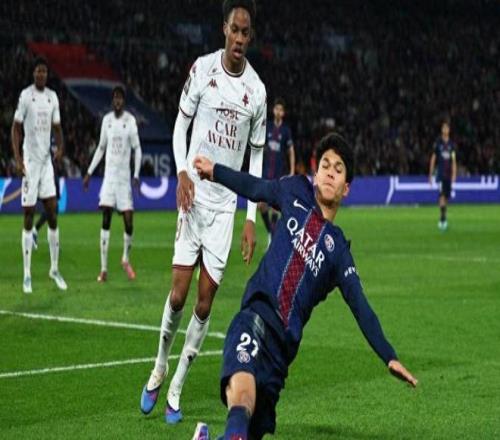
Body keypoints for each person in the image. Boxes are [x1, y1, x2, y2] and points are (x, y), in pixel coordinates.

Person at [192, 132, 418, 440]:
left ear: (346, 188)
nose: (330, 172)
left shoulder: (338, 250)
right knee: (242, 397)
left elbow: (360, 305)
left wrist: (389, 355)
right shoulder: (294, 191)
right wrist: (215, 171)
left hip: (281, 352)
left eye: (338, 169)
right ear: (315, 173)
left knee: (247, 433)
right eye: (325, 165)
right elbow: (255, 187)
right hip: (255, 319)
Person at [140, 0, 267, 425]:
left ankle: (176, 386)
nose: (239, 38)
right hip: (192, 199)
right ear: (224, 29)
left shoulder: (257, 91)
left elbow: (255, 158)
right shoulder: (202, 69)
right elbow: (181, 124)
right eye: (234, 30)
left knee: (205, 301)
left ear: (250, 37)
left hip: (224, 210)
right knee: (178, 295)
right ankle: (159, 367)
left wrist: (250, 217)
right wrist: (181, 172)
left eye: (246, 33)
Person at [11, 56, 67, 294]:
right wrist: (18, 158)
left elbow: (57, 127)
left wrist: (61, 147)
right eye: (38, 71)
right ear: (33, 74)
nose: (41, 74)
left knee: (52, 213)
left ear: (47, 73)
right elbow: (15, 128)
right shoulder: (26, 96)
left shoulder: (52, 97)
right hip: (31, 164)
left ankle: (54, 269)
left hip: (46, 164)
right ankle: (27, 274)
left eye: (44, 71)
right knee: (28, 214)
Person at [83, 86, 142, 282]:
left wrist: (136, 174)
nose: (117, 101)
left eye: (120, 98)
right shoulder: (107, 120)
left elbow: (137, 148)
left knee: (129, 221)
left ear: (123, 101)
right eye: (115, 98)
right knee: (106, 218)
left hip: (124, 179)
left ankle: (125, 258)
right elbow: (101, 148)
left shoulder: (130, 121)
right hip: (109, 178)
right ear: (112, 100)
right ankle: (103, 269)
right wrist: (89, 172)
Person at [260, 98, 295, 244]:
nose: (278, 112)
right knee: (261, 205)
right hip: (265, 172)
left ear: (283, 113)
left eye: (281, 110)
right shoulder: (267, 127)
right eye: (277, 109)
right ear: (273, 110)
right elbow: (260, 147)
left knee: (275, 207)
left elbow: (291, 151)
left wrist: (292, 171)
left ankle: (273, 237)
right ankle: (270, 231)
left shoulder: (286, 131)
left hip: (279, 174)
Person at [428, 121, 457, 231]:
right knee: (442, 195)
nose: (445, 130)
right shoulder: (438, 143)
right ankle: (442, 220)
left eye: (447, 128)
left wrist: (454, 174)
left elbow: (453, 161)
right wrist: (430, 174)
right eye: (443, 128)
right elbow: (433, 158)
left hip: (448, 175)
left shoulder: (451, 145)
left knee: (446, 197)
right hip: (440, 174)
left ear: (449, 130)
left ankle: (444, 218)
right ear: (441, 130)